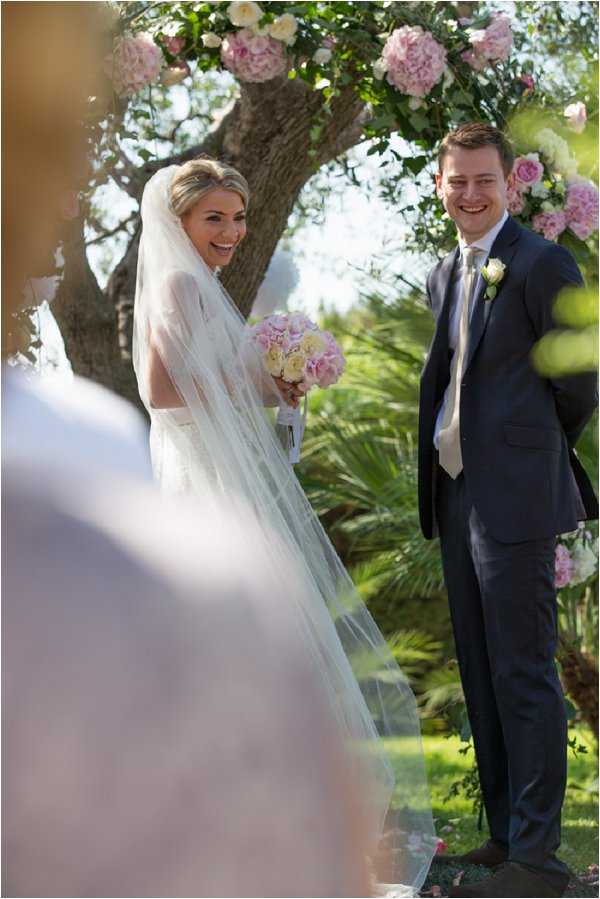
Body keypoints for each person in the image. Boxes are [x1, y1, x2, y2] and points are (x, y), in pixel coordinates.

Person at [132, 157, 438, 892]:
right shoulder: (175, 283)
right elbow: (159, 386)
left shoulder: (201, 287)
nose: (232, 232)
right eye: (216, 218)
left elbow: (218, 383)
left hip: (230, 477)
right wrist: (252, 382)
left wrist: (280, 381)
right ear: (180, 222)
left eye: (238, 217)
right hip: (206, 486)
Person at [417, 122, 598, 899]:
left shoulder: (541, 262)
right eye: (456, 180)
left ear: (509, 184)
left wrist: (528, 453)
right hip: (455, 493)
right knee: (483, 669)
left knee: (525, 671)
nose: (470, 193)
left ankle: (540, 861)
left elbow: (579, 378)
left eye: (483, 180)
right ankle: (503, 834)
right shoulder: (441, 273)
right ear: (439, 186)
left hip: (516, 497)